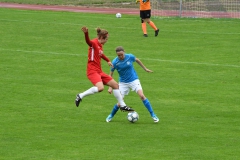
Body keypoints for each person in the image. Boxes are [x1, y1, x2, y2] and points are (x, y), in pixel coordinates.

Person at [75, 27, 134, 112]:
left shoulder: (100, 46)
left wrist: (108, 60)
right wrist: (86, 33)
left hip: (99, 71)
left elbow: (101, 54)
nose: (107, 41)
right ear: (102, 38)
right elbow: (88, 41)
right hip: (92, 71)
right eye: (106, 39)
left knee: (115, 85)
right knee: (100, 88)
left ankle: (122, 105)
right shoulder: (94, 43)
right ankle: (80, 96)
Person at [106, 46, 159, 123]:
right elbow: (110, 75)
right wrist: (110, 87)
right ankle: (111, 115)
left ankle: (153, 115)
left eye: (121, 54)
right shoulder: (115, 62)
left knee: (142, 96)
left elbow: (137, 60)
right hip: (123, 83)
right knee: (120, 102)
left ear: (124, 52)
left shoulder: (129, 57)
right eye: (118, 55)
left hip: (134, 80)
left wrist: (145, 68)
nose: (120, 56)